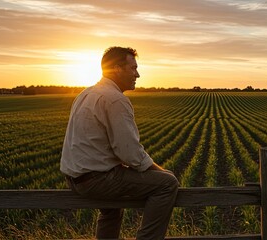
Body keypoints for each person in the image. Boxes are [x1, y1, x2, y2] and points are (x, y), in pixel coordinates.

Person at [60, 46, 179, 240]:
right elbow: (130, 153)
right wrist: (162, 171)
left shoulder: (85, 94)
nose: (137, 74)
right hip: (98, 180)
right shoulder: (115, 99)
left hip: (74, 179)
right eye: (133, 68)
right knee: (168, 184)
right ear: (116, 68)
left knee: (112, 209)